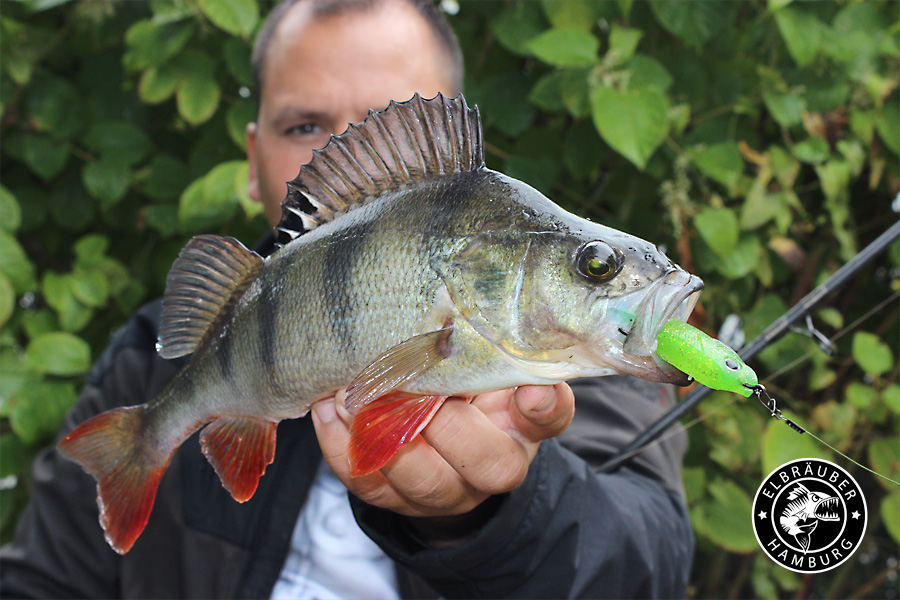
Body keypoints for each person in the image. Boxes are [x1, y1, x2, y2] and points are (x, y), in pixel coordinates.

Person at [0, 1, 694, 598]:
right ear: (250, 159)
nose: (345, 149)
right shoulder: (144, 363)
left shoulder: (574, 371)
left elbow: (647, 563)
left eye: (380, 124)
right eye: (305, 125)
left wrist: (489, 519)